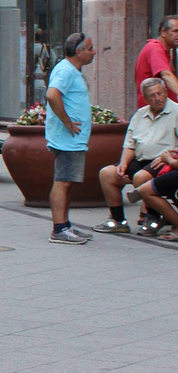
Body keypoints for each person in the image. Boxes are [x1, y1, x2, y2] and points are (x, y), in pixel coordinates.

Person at [95, 77, 177, 234]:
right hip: (139, 159)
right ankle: (118, 220)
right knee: (107, 174)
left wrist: (169, 156)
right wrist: (123, 163)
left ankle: (153, 217)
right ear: (145, 98)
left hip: (162, 162)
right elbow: (130, 144)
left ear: (166, 92)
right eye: (152, 95)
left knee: (141, 177)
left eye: (160, 93)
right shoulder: (140, 114)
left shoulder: (176, 112)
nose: (158, 98)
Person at [44, 32, 97, 244]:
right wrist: (67, 122)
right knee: (63, 182)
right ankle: (59, 229)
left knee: (68, 182)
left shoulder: (71, 70)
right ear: (79, 51)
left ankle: (65, 225)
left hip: (73, 140)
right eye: (91, 48)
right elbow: (51, 94)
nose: (94, 52)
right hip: (67, 139)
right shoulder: (65, 70)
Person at [134, 16, 178, 107]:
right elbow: (166, 75)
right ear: (164, 32)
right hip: (157, 113)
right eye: (176, 31)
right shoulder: (155, 48)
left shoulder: (161, 50)